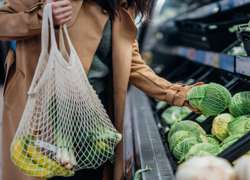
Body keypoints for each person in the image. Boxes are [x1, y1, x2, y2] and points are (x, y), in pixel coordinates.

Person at [0, 0, 200, 180]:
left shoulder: (122, 5)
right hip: (44, 120)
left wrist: (180, 94)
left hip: (93, 124)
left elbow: (133, 65)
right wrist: (42, 17)